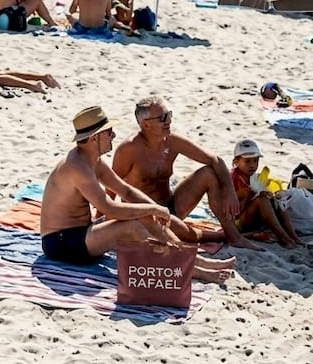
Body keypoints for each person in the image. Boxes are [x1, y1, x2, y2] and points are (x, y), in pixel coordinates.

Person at [40, 106, 235, 282]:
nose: (114, 135)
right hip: (62, 243)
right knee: (132, 226)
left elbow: (125, 190)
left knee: (143, 216)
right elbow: (110, 208)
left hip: (83, 233)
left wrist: (155, 211)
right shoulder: (77, 167)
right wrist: (153, 208)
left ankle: (189, 257)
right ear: (94, 138)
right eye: (109, 132)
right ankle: (194, 269)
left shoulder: (93, 160)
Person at [113, 96, 261, 250]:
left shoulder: (171, 141)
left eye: (169, 114)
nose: (169, 121)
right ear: (146, 124)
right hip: (146, 215)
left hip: (171, 205)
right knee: (190, 236)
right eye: (162, 117)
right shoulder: (129, 149)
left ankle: (234, 236)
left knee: (209, 174)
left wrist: (229, 191)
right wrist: (102, 219)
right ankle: (231, 235)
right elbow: (111, 184)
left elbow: (215, 160)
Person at [229, 139, 303, 248]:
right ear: (236, 162)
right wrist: (249, 196)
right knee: (261, 201)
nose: (252, 165)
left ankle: (293, 236)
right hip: (239, 222)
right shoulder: (232, 179)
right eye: (247, 161)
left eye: (255, 161)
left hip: (255, 218)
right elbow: (233, 212)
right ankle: (284, 238)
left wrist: (268, 196)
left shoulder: (254, 177)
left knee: (278, 202)